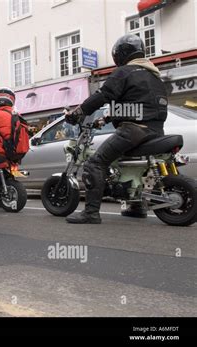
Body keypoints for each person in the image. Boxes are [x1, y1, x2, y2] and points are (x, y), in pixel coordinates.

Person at [64, 34, 168, 224]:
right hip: (155, 130)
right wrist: (105, 120)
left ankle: (91, 213)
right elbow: (137, 105)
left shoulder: (125, 71)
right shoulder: (153, 76)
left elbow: (104, 94)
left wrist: (78, 112)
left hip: (134, 130)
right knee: (128, 166)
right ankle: (136, 206)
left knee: (95, 164)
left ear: (121, 53)